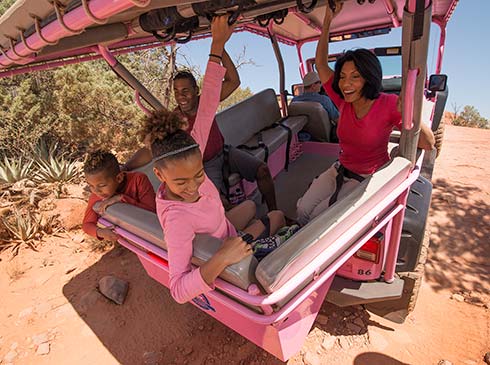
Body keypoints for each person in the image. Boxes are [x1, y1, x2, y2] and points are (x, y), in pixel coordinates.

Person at [146, 15, 286, 304]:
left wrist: (217, 45)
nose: (194, 186)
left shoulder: (189, 144)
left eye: (199, 175)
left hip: (225, 224)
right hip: (229, 244)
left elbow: (208, 102)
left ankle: (263, 226)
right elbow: (178, 290)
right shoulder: (176, 222)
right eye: (182, 182)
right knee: (278, 217)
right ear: (160, 176)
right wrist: (223, 255)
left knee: (249, 203)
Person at [296, 2, 435, 226]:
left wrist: (410, 113)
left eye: (355, 77)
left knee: (316, 219)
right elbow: (321, 64)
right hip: (339, 168)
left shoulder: (389, 104)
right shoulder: (342, 100)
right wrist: (328, 20)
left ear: (369, 78)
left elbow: (428, 143)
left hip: (366, 177)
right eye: (342, 76)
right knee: (302, 210)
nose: (346, 83)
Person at [124, 49, 278, 212]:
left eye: (185, 91)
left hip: (224, 152)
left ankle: (275, 213)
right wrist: (126, 167)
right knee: (215, 203)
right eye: (176, 91)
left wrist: (221, 47)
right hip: (204, 165)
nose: (180, 96)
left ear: (196, 90)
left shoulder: (207, 102)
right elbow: (150, 150)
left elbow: (233, 81)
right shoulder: (175, 120)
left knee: (262, 170)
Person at [82, 150, 156, 241]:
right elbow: (87, 224)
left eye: (102, 185)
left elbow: (152, 213)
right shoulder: (96, 195)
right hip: (133, 239)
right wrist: (100, 232)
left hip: (153, 236)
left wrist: (121, 198)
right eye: (91, 186)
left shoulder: (138, 179)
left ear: (119, 178)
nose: (96, 191)